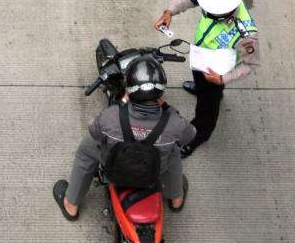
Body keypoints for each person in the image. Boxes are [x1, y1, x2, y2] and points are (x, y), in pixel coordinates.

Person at [52, 56, 195, 221]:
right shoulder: (175, 122)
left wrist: (122, 102)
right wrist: (166, 107)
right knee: (174, 153)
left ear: (129, 90)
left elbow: (95, 134)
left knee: (87, 148)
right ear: (160, 91)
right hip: (154, 169)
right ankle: (176, 200)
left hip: (116, 165)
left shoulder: (111, 116)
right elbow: (190, 136)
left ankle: (71, 205)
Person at [155, 0, 260, 158]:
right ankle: (200, 87)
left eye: (211, 12)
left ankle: (199, 135)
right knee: (200, 83)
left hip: (218, 71)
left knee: (207, 109)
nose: (205, 11)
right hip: (200, 57)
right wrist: (169, 12)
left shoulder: (246, 32)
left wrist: (221, 79)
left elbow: (251, 64)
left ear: (226, 12)